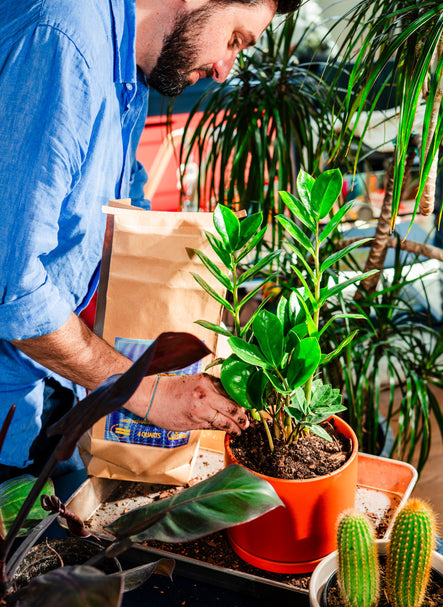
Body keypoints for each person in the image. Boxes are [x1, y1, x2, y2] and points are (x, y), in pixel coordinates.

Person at [0, 0, 301, 479]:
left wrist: (207, 302)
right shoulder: (65, 42)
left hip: (52, 379)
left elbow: (121, 202)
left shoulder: (134, 68)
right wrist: (149, 394)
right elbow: (12, 288)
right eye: (235, 39)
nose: (226, 70)